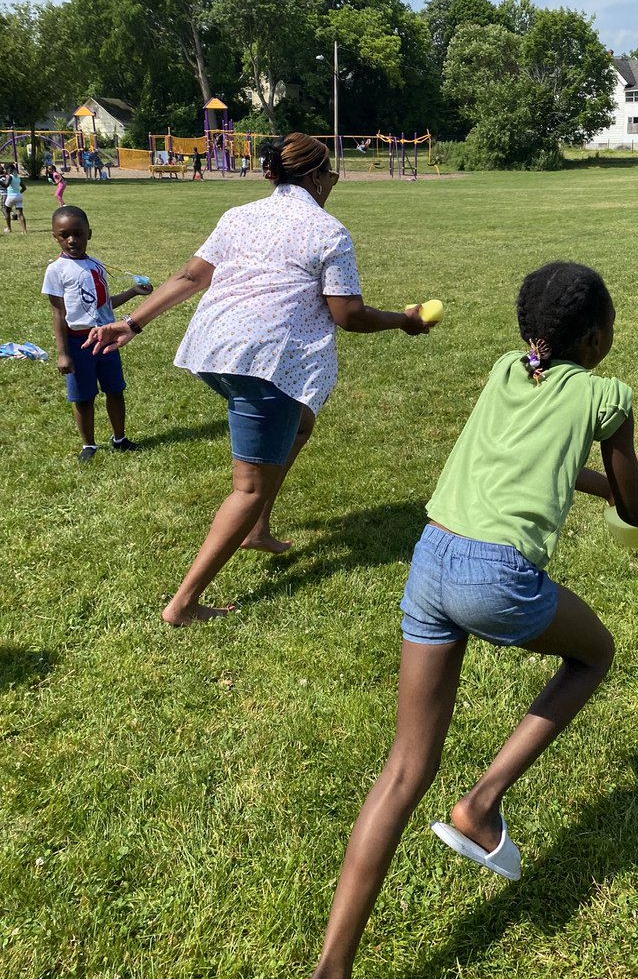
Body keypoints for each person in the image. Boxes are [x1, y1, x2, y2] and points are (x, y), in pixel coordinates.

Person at [294, 261, 638, 979]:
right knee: (595, 654)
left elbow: (535, 456)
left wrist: (608, 486)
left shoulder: (507, 368)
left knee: (401, 771)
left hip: (431, 558)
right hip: (497, 579)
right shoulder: (609, 396)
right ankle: (482, 804)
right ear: (600, 336)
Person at [87, 133, 435, 627]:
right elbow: (349, 315)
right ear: (315, 176)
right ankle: (184, 602)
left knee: (298, 425)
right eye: (331, 173)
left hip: (215, 351)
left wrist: (132, 322)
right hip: (263, 362)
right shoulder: (328, 231)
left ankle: (258, 528)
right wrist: (405, 320)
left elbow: (190, 276)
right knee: (247, 487)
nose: (332, 182)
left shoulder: (239, 215)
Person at [42, 205, 153, 462]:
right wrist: (62, 353)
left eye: (78, 233)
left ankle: (120, 438)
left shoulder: (96, 266)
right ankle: (89, 445)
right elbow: (58, 314)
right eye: (64, 234)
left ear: (89, 234)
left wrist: (134, 292)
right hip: (79, 343)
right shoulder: (56, 271)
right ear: (55, 237)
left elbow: (104, 304)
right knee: (83, 396)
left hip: (106, 341)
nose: (72, 240)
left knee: (115, 390)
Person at [3, 167, 26, 234]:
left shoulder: (10, 177)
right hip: (18, 196)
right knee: (20, 213)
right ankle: (24, 230)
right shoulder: (18, 178)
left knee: (7, 211)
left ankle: (9, 228)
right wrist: (18, 193)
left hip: (10, 196)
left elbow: (5, 185)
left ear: (9, 170)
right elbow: (24, 188)